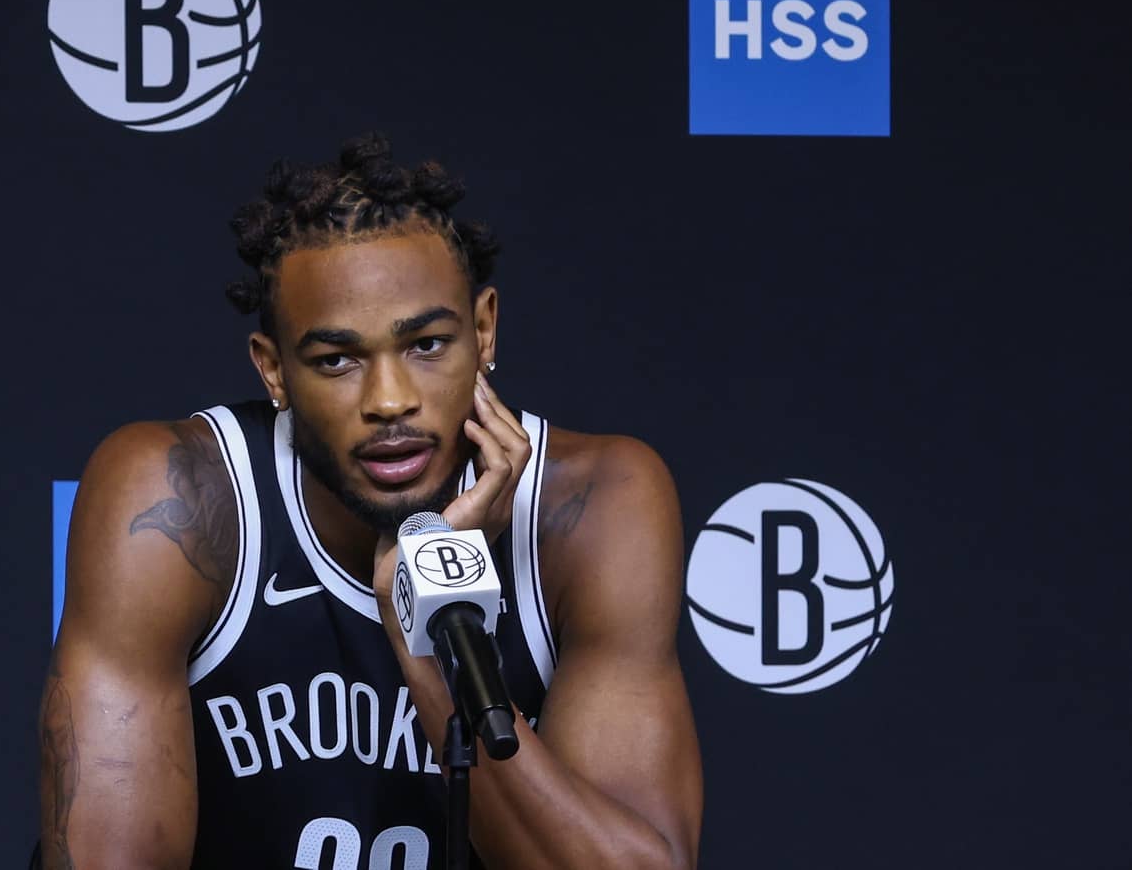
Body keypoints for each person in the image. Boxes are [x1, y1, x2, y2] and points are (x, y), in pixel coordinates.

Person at [37, 134, 702, 869]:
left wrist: (426, 621)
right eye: (337, 360)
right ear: (274, 370)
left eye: (426, 345)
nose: (389, 400)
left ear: (483, 330)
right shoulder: (180, 495)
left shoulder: (592, 504)